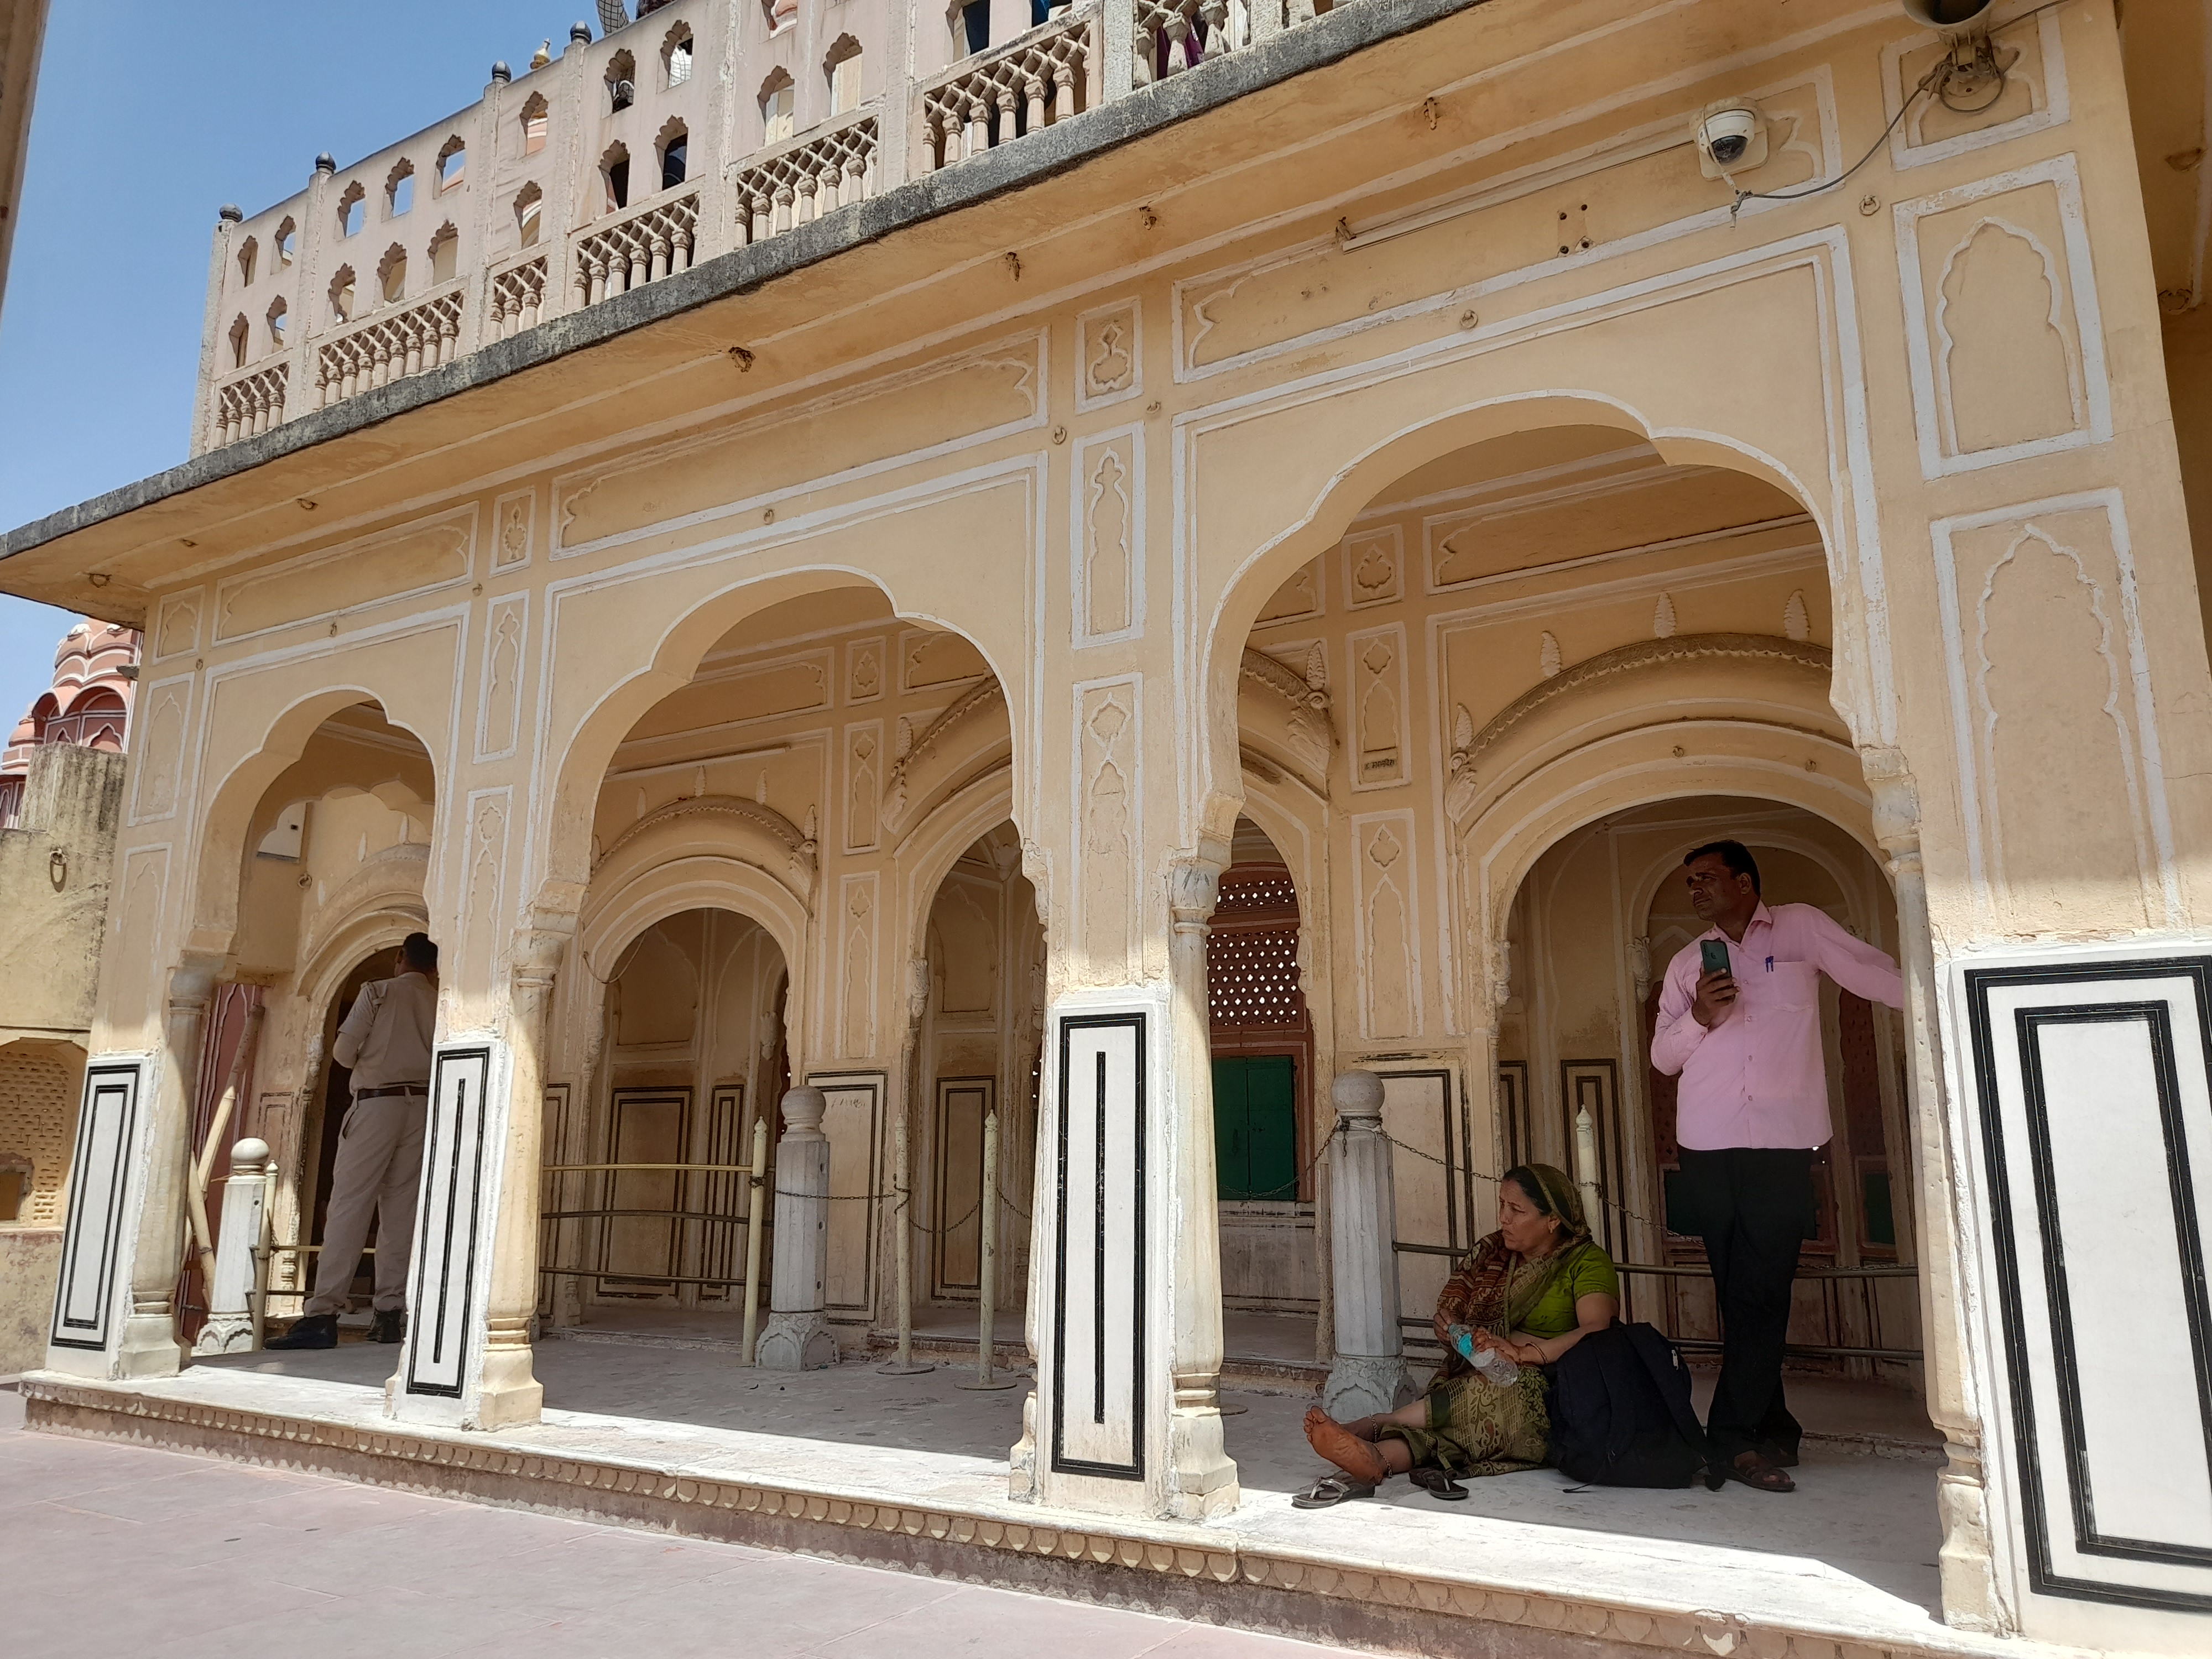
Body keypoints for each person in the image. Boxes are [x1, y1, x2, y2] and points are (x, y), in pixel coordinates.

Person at [1650, 840, 1902, 1494]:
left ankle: (1728, 1439)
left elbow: (1870, 972)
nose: (1696, 891)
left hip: (1783, 1147)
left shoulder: (1801, 928)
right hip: (1706, 1146)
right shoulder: (1686, 965)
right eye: (1689, 882)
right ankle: (1775, 1429)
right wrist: (1701, 1017)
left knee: (1762, 1291)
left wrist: (1949, 1000)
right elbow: (1662, 1058)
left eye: (1706, 878)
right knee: (1743, 1296)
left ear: (1744, 881)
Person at [1297, 1164, 1618, 1505]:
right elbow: (1461, 1308)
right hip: (1482, 1371)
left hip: (1552, 1391)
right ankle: (1378, 1458)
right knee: (1461, 1425)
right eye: (1502, 1205)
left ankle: (1375, 1426)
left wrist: (1526, 1354)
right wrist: (1451, 1327)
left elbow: (1598, 1331)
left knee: (1491, 1396)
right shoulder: (1494, 1253)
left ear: (1553, 1220)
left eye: (1517, 1210)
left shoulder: (1586, 1262)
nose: (1504, 1218)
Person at [267, 933, 439, 1350]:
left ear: (400, 958)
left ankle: (323, 1313)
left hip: (376, 1104)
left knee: (350, 1206)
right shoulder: (442, 999)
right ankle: (389, 1313)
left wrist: (375, 1057)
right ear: (435, 966)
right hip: (422, 1107)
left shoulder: (377, 992)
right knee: (401, 1212)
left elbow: (344, 1054)